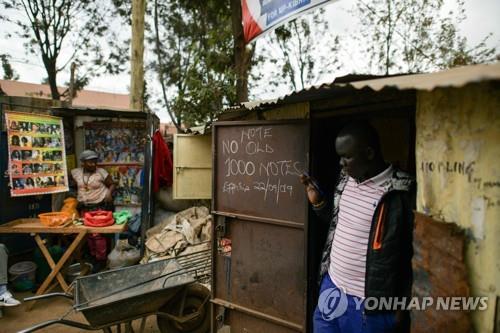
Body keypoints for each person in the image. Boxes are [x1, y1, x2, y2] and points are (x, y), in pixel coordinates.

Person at [301, 122, 415, 333]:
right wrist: (319, 203)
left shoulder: (400, 192)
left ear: (369, 153)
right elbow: (342, 223)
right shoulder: (346, 180)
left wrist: (403, 305)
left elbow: (410, 253)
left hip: (369, 308)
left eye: (347, 157)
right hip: (332, 290)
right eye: (339, 157)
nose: (341, 163)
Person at [71, 150, 116, 272]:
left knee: (97, 235)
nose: (93, 164)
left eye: (94, 162)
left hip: (98, 207)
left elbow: (112, 184)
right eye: (90, 162)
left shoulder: (101, 173)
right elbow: (73, 186)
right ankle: (92, 257)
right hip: (84, 207)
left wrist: (108, 194)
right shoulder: (75, 173)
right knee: (87, 233)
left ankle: (100, 260)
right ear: (83, 163)